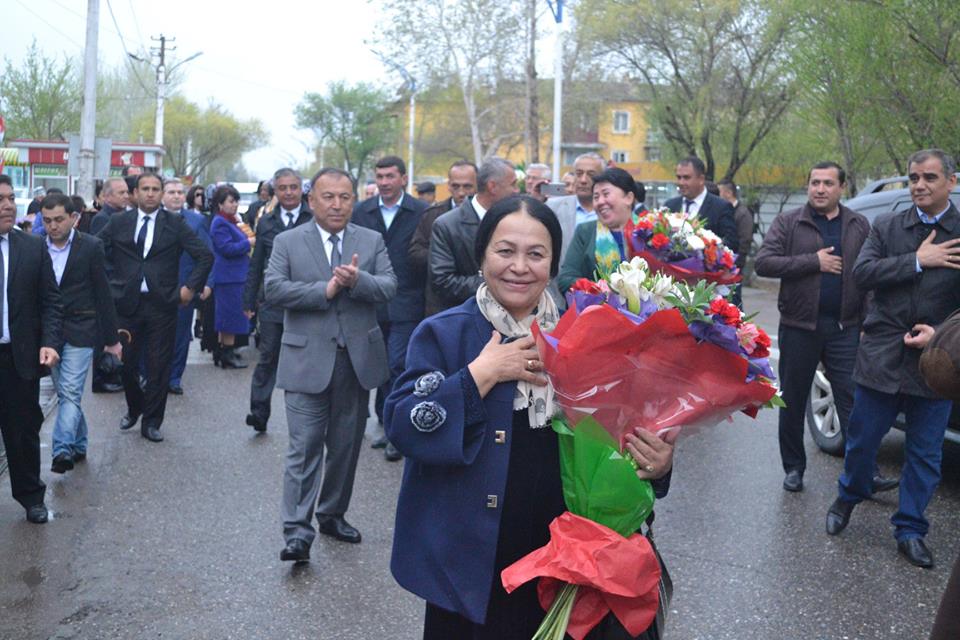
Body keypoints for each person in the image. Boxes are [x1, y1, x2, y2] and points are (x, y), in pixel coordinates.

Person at [385, 195, 673, 637]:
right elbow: (404, 426)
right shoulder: (444, 333)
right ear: (482, 256)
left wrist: (658, 464)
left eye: (536, 254)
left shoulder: (584, 335)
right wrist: (478, 375)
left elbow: (619, 436)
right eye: (505, 251)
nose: (519, 267)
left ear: (553, 264)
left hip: (562, 559)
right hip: (470, 563)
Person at [825, 149, 960, 570]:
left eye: (930, 178)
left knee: (925, 454)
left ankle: (910, 529)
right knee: (863, 442)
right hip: (882, 353)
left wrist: (941, 334)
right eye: (914, 177)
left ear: (951, 182)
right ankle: (849, 495)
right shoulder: (887, 225)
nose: (919, 185)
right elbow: (862, 274)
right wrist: (917, 261)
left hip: (936, 362)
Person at [264, 168, 397, 562]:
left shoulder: (370, 240)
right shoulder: (288, 241)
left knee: (345, 447)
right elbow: (273, 289)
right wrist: (325, 289)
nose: (337, 204)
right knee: (303, 447)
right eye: (328, 197)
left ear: (354, 201)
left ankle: (332, 514)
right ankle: (296, 532)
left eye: (344, 197)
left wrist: (358, 281)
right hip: (305, 361)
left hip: (355, 362)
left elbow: (389, 286)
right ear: (311, 201)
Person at [753, 162, 890, 493]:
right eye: (815, 182)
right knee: (792, 400)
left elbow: (867, 276)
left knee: (852, 402)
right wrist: (813, 262)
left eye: (828, 183)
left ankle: (865, 472)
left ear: (842, 187)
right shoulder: (790, 222)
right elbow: (764, 263)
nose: (820, 189)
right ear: (808, 185)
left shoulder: (857, 224)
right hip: (799, 326)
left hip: (845, 327)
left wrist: (867, 322)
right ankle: (794, 468)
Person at [96, 173, 213, 443]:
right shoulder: (119, 222)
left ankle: (151, 422)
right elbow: (94, 249)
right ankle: (135, 406)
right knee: (126, 365)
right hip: (127, 304)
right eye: (145, 188)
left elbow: (205, 256)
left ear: (161, 194)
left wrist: (190, 288)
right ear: (135, 193)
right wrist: (110, 282)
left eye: (155, 189)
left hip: (163, 304)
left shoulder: (175, 223)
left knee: (158, 366)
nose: (150, 193)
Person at [352, 156, 428, 461]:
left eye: (390, 176)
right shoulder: (362, 211)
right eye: (380, 176)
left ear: (403, 179)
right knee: (379, 365)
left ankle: (398, 431)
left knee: (399, 363)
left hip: (407, 301)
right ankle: (385, 422)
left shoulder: (421, 211)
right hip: (370, 301)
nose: (384, 182)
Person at [40, 194, 122, 473]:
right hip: (49, 334)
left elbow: (103, 292)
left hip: (81, 328)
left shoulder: (91, 246)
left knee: (71, 391)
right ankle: (80, 442)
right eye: (47, 221)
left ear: (74, 218)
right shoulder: (36, 247)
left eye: (59, 220)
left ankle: (61, 449)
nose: (53, 226)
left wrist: (112, 340)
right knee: (67, 393)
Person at [0, 175, 63, 523]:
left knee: (23, 430)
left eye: (11, 198)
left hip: (18, 357)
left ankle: (31, 497)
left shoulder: (32, 247)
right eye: (0, 200)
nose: (8, 205)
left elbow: (51, 301)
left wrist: (49, 342)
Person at [243, 168, 312, 433]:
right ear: (275, 191)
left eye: (293, 187)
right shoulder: (267, 222)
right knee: (268, 357)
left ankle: (307, 416)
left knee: (305, 360)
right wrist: (249, 299)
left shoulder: (313, 219)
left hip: (306, 302)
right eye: (283, 188)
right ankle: (259, 413)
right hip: (273, 302)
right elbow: (256, 263)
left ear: (301, 189)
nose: (289, 192)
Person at [429, 157, 518, 313]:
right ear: (492, 187)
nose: (516, 190)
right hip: (463, 317)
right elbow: (442, 281)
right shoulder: (446, 225)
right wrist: (495, 282)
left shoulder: (516, 221)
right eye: (513, 184)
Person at [409, 160, 478, 317]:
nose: (461, 192)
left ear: (477, 185)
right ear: (448, 186)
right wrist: (443, 256)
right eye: (456, 186)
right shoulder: (432, 215)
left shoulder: (486, 215)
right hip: (441, 304)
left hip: (477, 300)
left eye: (467, 186)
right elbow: (415, 253)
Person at [558, 167, 642, 293]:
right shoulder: (585, 231)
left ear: (628, 198)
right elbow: (566, 279)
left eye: (606, 194)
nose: (600, 202)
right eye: (596, 197)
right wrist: (598, 289)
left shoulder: (648, 230)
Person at [163, 179, 213, 395]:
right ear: (163, 196)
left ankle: (174, 377)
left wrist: (207, 283)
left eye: (179, 192)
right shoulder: (152, 219)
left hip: (185, 287)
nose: (176, 196)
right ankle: (149, 375)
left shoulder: (196, 221)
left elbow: (208, 253)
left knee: (181, 334)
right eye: (171, 192)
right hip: (155, 287)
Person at [210, 184, 252, 369]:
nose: (234, 205)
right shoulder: (220, 223)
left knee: (231, 315)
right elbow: (226, 248)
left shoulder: (232, 221)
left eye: (236, 201)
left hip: (235, 276)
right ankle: (227, 352)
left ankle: (224, 350)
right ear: (220, 204)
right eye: (231, 201)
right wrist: (248, 243)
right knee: (230, 316)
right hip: (229, 277)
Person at [664, 156, 739, 252]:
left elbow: (731, 244)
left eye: (686, 178)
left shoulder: (721, 207)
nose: (681, 182)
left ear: (701, 179)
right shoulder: (670, 206)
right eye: (679, 177)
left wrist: (707, 248)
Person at [547, 154, 605, 248]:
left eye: (591, 175)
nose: (583, 180)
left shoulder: (611, 210)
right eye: (579, 174)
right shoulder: (553, 207)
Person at [717, 179, 755, 308]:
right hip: (723, 267)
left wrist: (736, 264)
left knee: (734, 300)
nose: (717, 195)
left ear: (728, 193)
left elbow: (745, 240)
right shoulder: (724, 211)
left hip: (734, 267)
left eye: (719, 192)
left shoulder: (742, 213)